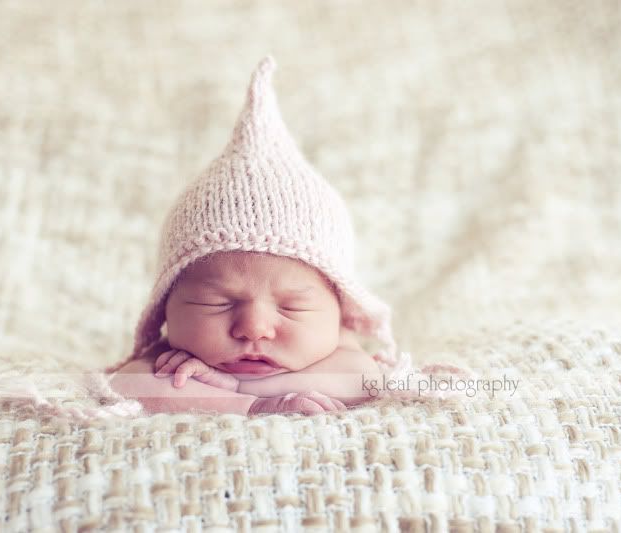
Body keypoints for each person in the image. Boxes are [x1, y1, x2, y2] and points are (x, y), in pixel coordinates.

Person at [106, 56, 405, 415]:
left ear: (339, 309)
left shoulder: (340, 350)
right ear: (165, 307)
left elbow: (363, 381)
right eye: (216, 303)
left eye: (292, 306)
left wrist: (238, 385)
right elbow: (128, 384)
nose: (253, 328)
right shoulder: (173, 356)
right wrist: (251, 406)